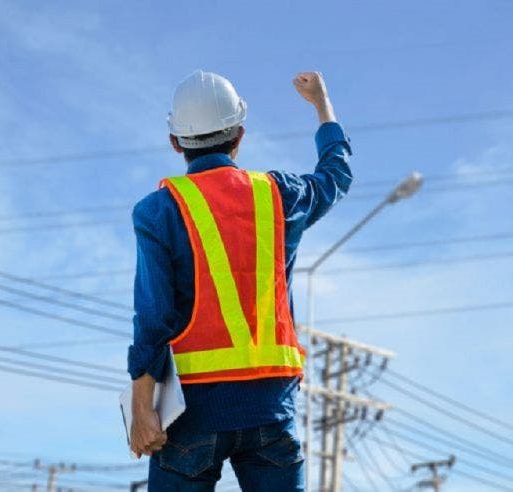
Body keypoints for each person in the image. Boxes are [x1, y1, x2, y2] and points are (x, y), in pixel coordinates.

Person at [127, 69, 352, 491]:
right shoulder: (278, 196)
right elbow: (335, 177)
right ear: (239, 135)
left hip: (192, 414)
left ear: (176, 142)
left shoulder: (158, 211)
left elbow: (153, 318)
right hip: (271, 408)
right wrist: (322, 107)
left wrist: (142, 407)